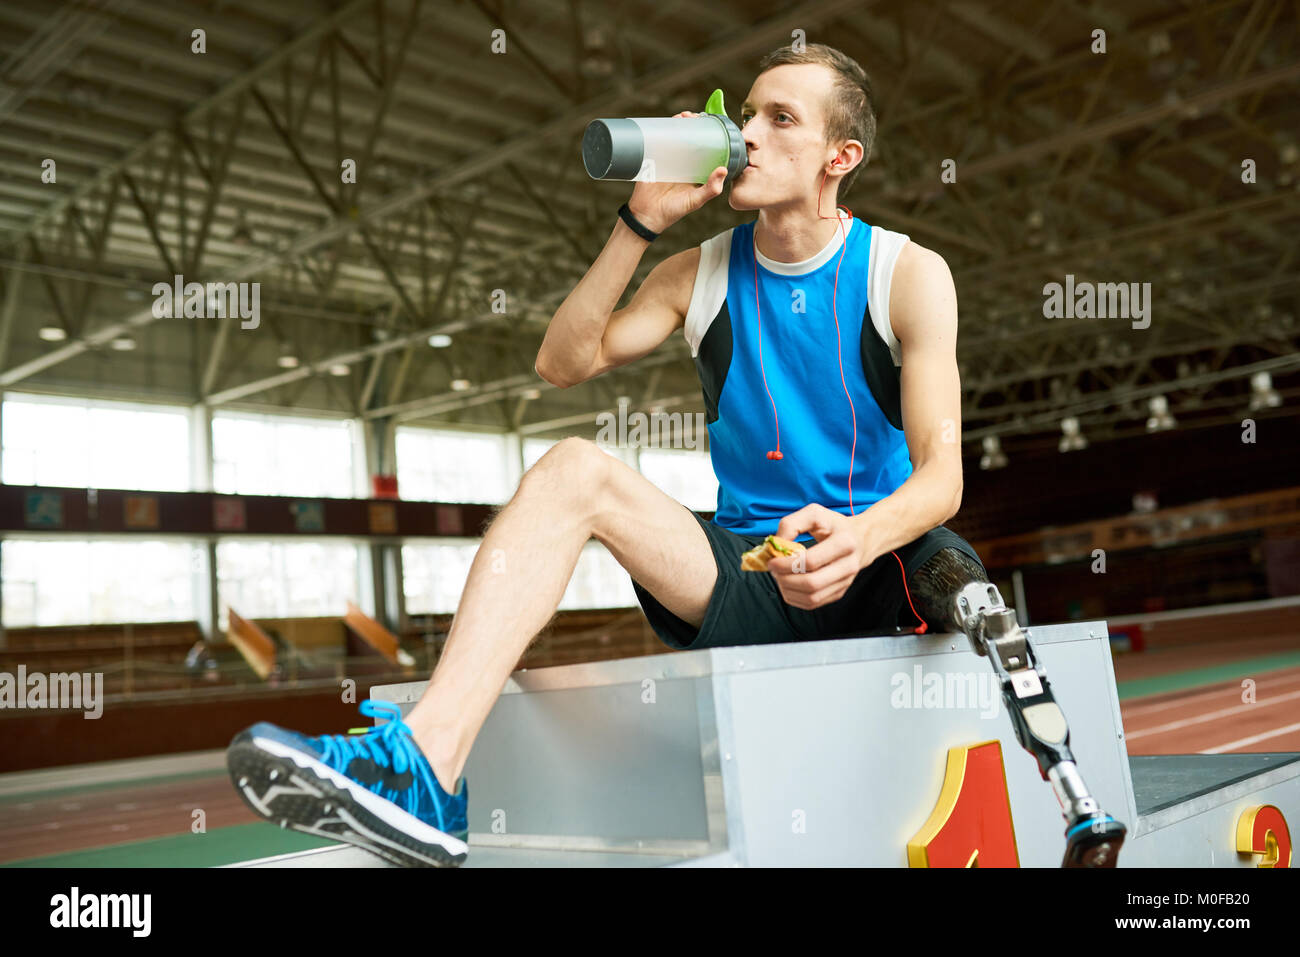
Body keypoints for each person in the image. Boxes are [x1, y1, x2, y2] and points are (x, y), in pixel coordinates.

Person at [226, 42, 990, 868]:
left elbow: (941, 475)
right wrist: (640, 223)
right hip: (752, 567)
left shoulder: (905, 272)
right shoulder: (697, 272)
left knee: (947, 566)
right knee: (569, 469)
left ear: (840, 157)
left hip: (873, 560)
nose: (749, 135)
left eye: (780, 119)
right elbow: (563, 363)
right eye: (746, 115)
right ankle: (427, 768)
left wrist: (863, 538)